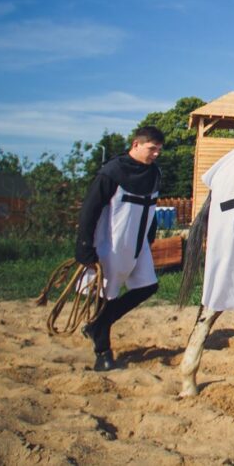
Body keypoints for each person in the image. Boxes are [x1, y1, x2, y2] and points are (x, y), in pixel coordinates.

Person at [75, 126, 164, 371]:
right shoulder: (112, 172)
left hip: (139, 244)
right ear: (136, 144)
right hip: (110, 243)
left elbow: (151, 206)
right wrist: (84, 246)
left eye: (159, 150)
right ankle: (102, 352)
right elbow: (90, 210)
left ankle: (97, 326)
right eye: (152, 148)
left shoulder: (154, 173)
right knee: (105, 296)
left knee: (148, 286)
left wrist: (151, 233)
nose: (156, 154)